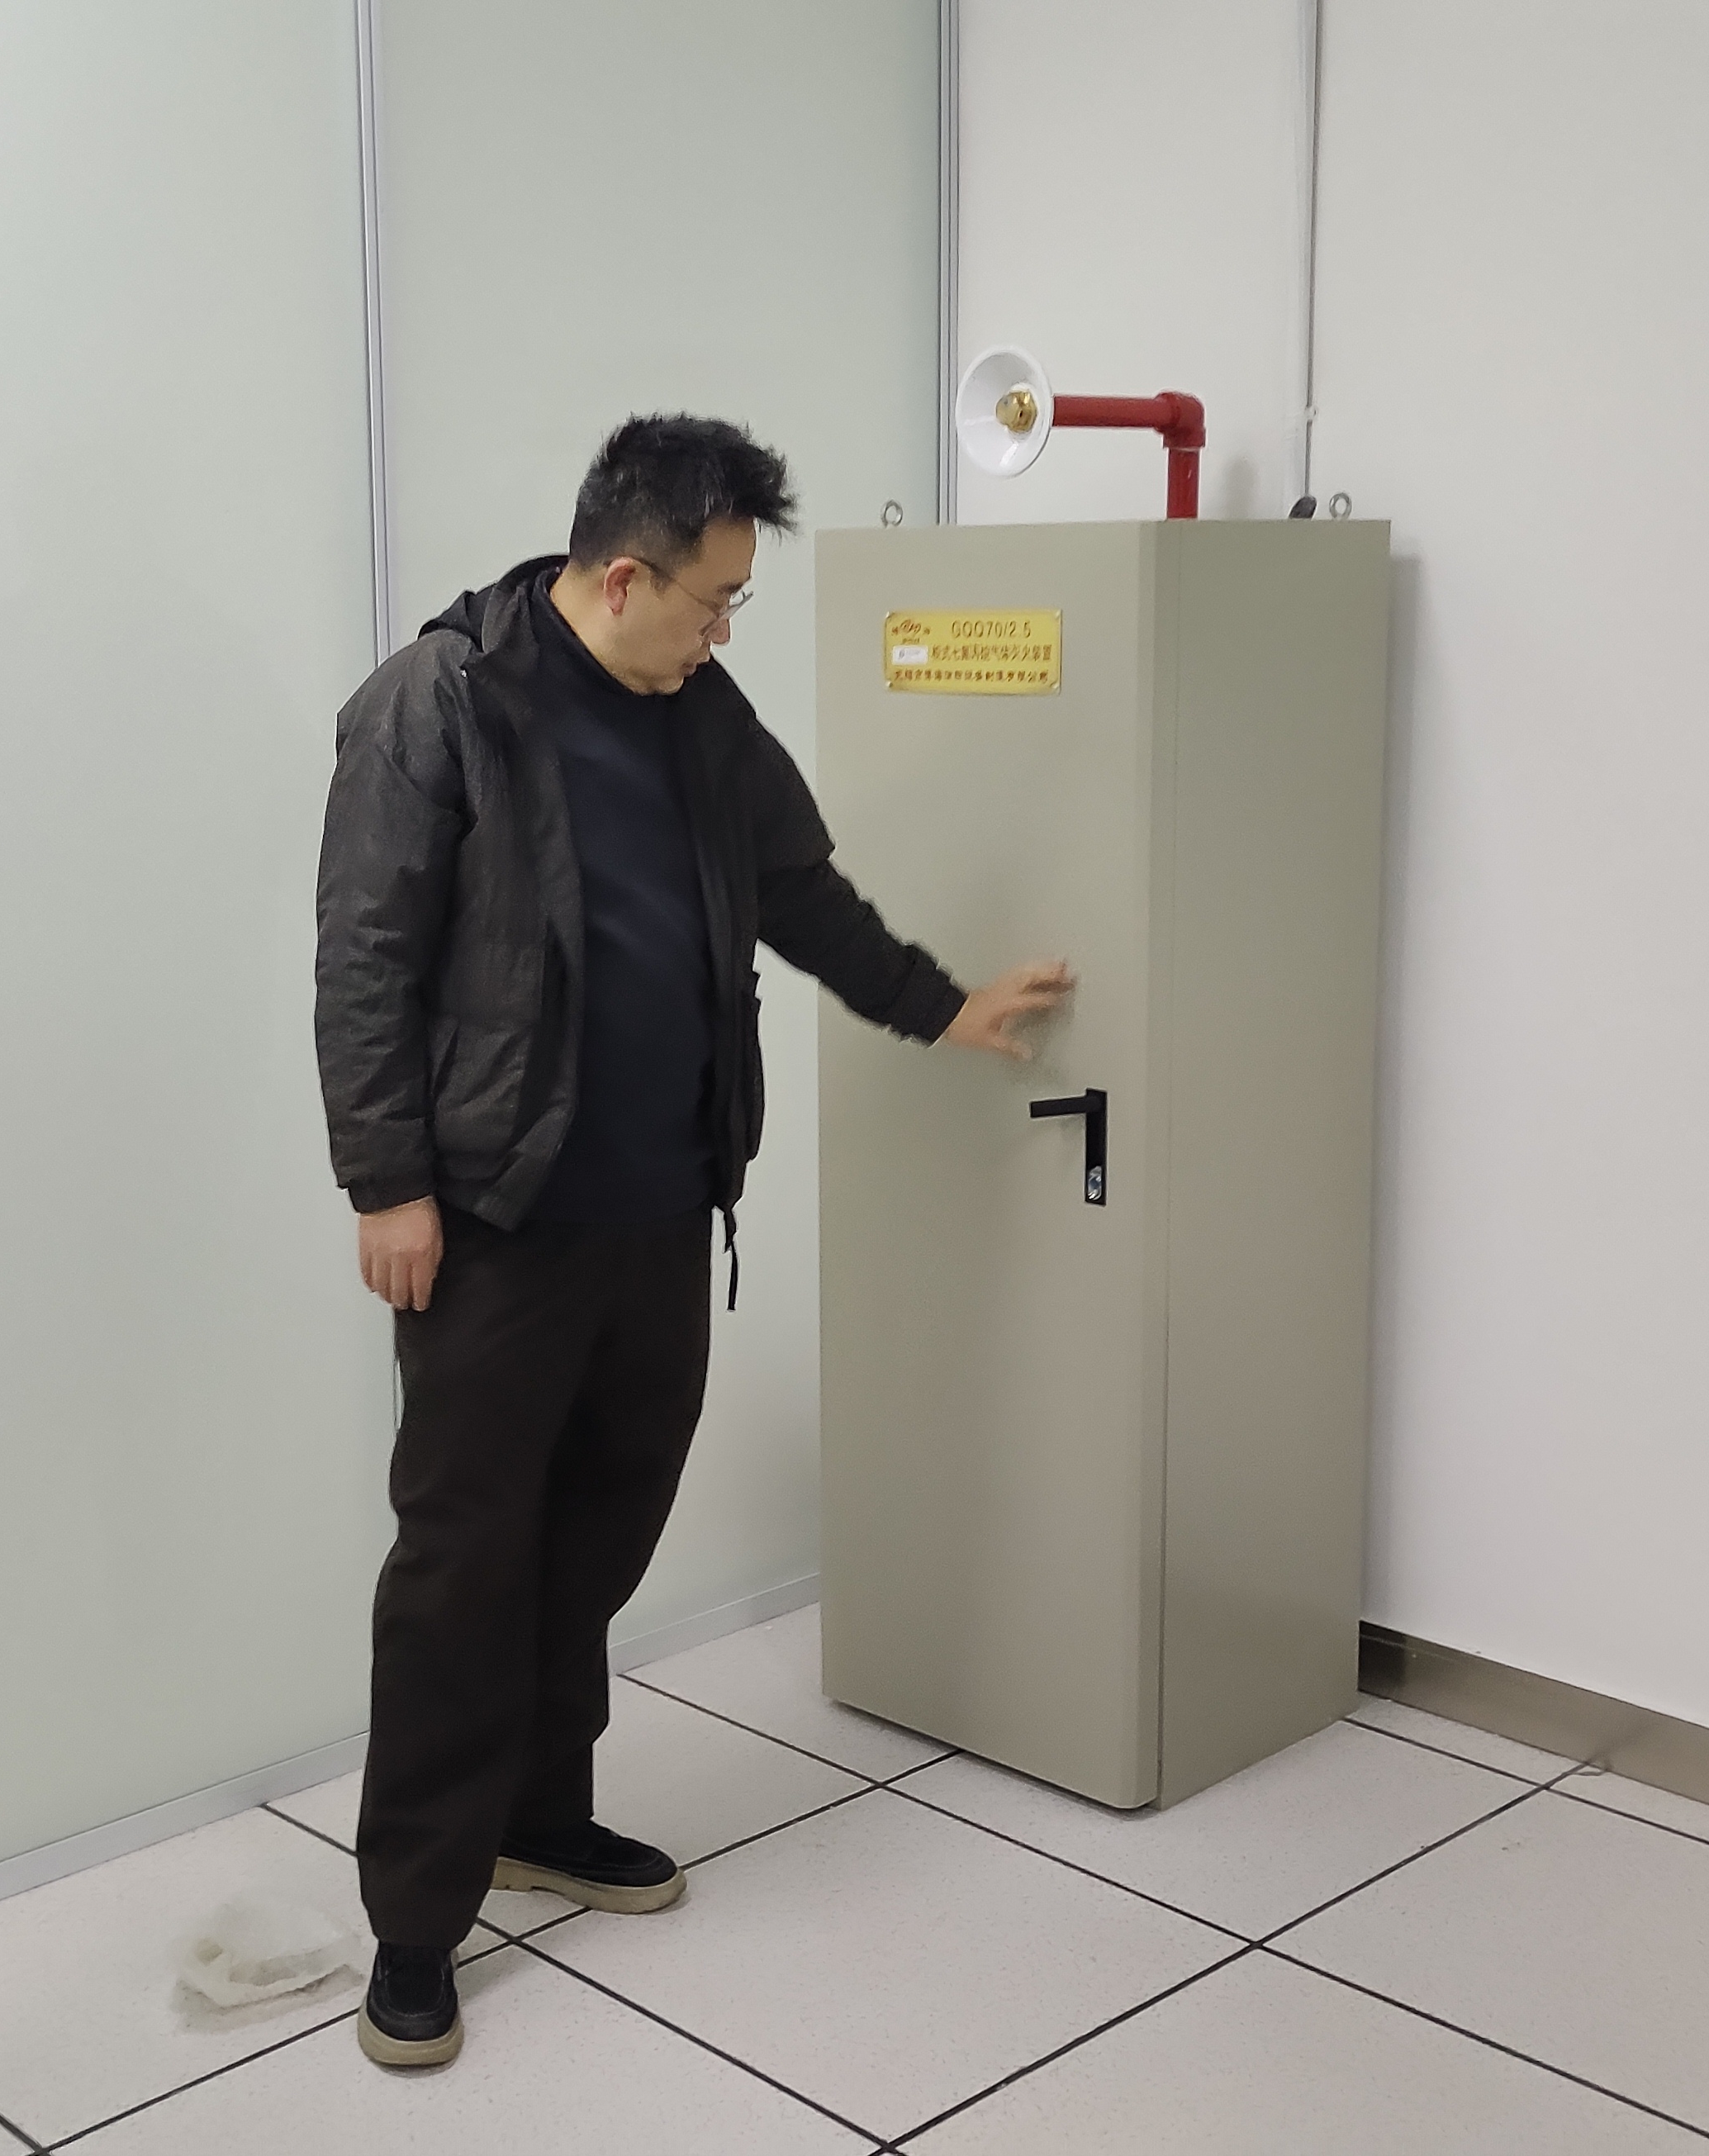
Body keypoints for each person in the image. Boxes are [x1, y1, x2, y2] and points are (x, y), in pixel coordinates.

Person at [313, 415, 1068, 2068]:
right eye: (714, 599)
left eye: (737, 602)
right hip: (495, 1224)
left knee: (598, 1533)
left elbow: (799, 891)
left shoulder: (699, 717)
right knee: (460, 1568)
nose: (727, 630)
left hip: (661, 1209)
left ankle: (538, 1814)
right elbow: (367, 954)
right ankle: (416, 1921)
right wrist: (386, 1183)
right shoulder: (443, 702)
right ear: (621, 576)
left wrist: (938, 1006)